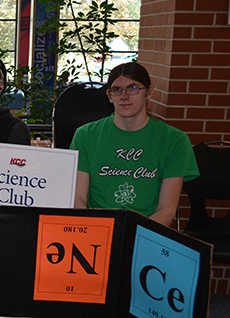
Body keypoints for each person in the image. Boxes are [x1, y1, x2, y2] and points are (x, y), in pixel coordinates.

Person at [70, 62, 199, 226]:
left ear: (149, 92)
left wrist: (133, 237)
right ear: (109, 96)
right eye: (117, 90)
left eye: (133, 88)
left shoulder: (175, 140)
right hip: (98, 229)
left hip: (148, 231)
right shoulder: (85, 136)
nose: (124, 96)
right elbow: (78, 200)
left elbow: (167, 210)